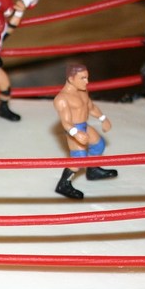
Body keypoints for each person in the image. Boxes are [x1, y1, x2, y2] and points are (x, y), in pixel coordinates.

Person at [52, 63, 117, 200]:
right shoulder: (62, 99)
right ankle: (63, 184)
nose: (87, 81)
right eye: (83, 78)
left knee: (99, 145)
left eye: (87, 77)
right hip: (73, 129)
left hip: (84, 125)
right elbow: (66, 122)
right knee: (79, 158)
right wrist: (75, 133)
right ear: (71, 79)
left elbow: (91, 107)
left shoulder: (82, 91)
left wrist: (103, 118)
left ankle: (92, 170)